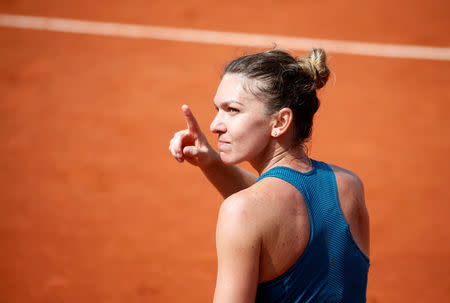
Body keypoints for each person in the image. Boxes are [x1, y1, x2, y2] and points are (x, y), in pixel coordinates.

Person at [169, 48, 370, 303]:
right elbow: (288, 202)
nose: (215, 125)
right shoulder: (349, 186)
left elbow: (264, 209)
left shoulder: (241, 212)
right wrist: (212, 162)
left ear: (280, 122)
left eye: (232, 110)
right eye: (217, 109)